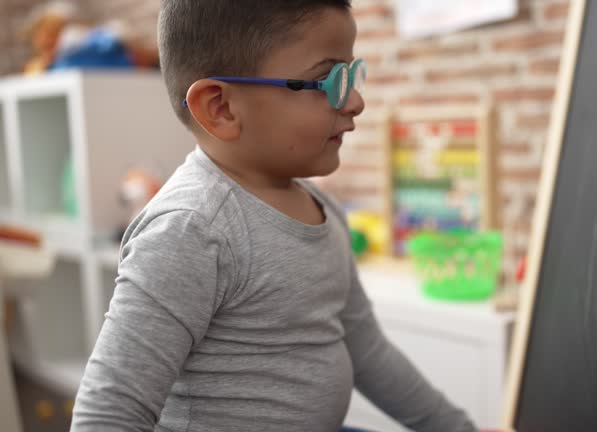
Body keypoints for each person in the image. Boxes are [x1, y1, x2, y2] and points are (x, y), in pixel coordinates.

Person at [70, 1, 477, 431]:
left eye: (353, 75)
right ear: (222, 108)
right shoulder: (190, 229)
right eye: (329, 79)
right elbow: (108, 414)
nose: (356, 101)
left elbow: (368, 351)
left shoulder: (324, 210)